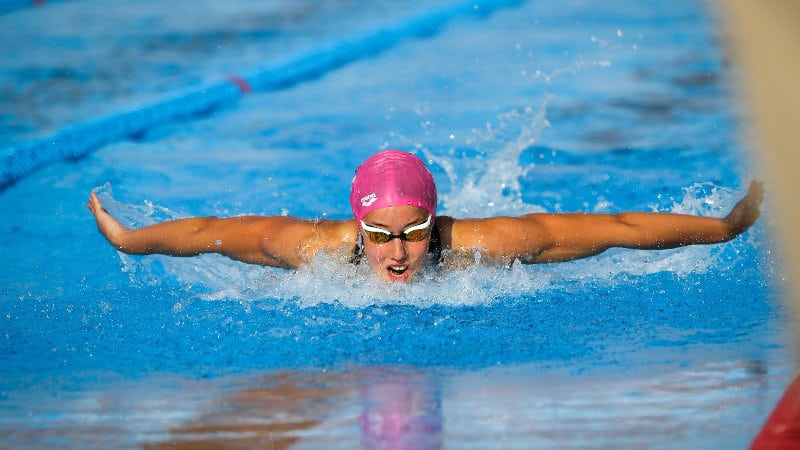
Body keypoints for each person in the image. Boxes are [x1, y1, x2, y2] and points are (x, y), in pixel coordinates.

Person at [87, 149, 764, 283]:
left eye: (413, 232)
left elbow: (612, 231)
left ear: (433, 222)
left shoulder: (484, 245)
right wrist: (129, 240)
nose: (398, 252)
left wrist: (727, 228)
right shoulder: (311, 248)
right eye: (379, 235)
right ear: (357, 228)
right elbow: (210, 234)